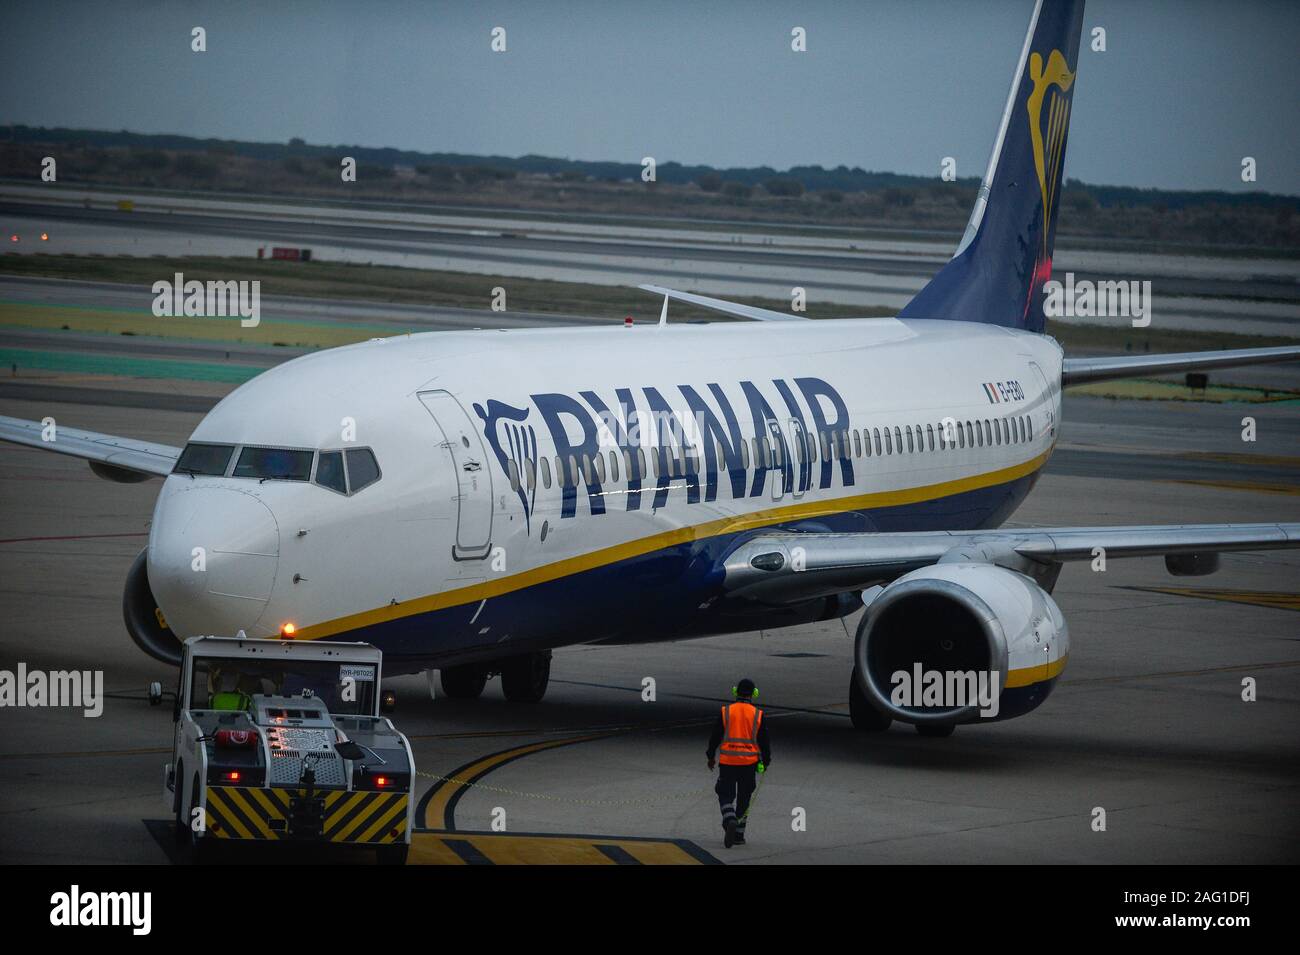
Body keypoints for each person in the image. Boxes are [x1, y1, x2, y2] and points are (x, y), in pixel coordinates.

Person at [706, 678, 771, 848]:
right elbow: (764, 741)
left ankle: (729, 819)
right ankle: (739, 836)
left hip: (728, 761)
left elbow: (715, 736)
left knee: (725, 793)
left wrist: (710, 756)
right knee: (745, 797)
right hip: (749, 763)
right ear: (754, 694)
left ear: (736, 692)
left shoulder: (726, 711)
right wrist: (766, 760)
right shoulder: (758, 714)